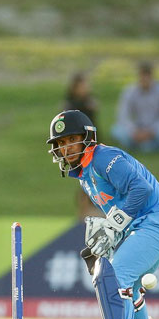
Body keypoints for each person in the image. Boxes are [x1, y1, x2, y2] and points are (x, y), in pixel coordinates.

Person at [46, 110, 159, 319]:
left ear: (87, 138)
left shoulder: (103, 158)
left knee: (116, 275)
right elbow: (122, 210)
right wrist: (112, 233)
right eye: (61, 144)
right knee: (129, 283)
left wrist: (114, 224)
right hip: (148, 223)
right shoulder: (84, 176)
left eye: (71, 140)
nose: (66, 149)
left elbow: (140, 190)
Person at [111, 61, 159, 152]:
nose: (145, 79)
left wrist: (151, 131)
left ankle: (139, 146)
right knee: (117, 131)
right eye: (142, 75)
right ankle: (153, 146)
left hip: (156, 130)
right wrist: (134, 130)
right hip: (137, 129)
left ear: (152, 76)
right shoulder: (130, 91)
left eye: (147, 75)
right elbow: (122, 115)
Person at [63, 72, 100, 219]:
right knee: (85, 180)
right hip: (79, 150)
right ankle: (83, 213)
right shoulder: (70, 104)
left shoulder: (89, 102)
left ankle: (90, 211)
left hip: (92, 146)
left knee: (93, 179)